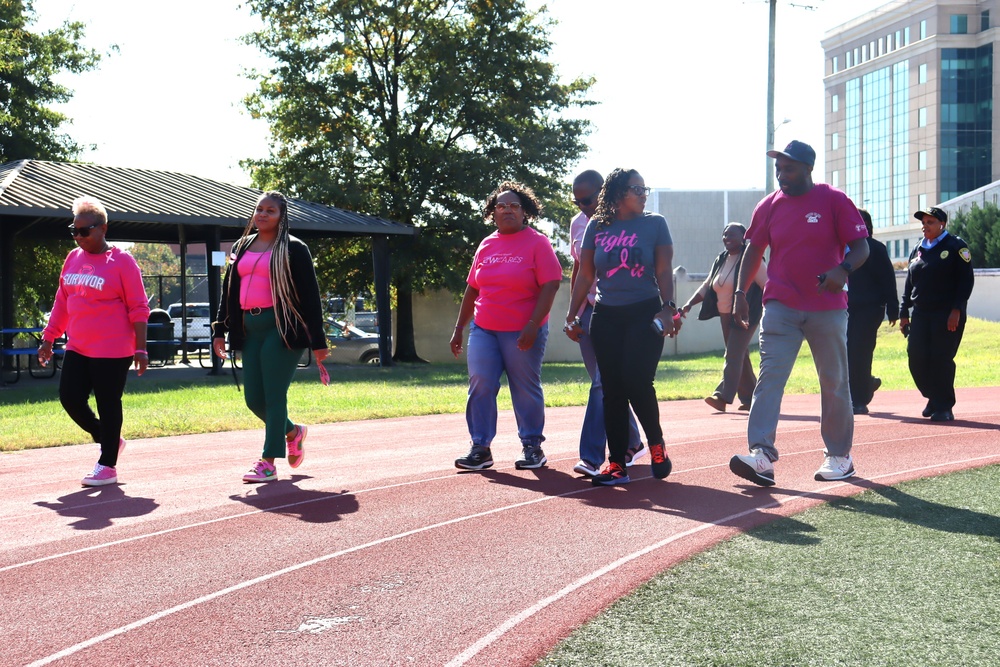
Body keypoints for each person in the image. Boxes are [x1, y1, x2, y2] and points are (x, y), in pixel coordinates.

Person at [728, 140, 869, 486]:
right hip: (780, 306)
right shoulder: (768, 206)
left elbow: (862, 246)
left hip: (827, 308)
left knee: (833, 381)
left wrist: (843, 270)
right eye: (778, 168)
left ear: (808, 168)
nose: (781, 175)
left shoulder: (834, 200)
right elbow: (754, 250)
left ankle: (839, 456)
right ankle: (761, 455)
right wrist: (740, 293)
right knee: (770, 377)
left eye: (788, 168)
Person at [565, 168, 675, 486]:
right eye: (637, 190)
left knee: (637, 381)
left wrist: (669, 309)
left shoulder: (656, 224)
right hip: (606, 316)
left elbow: (665, 271)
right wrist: (571, 316)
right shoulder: (597, 226)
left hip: (645, 313)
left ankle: (655, 444)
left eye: (645, 190)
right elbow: (585, 274)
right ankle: (616, 464)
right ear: (617, 194)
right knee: (612, 392)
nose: (643, 195)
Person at [212, 191, 329, 483]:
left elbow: (311, 297)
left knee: (275, 396)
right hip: (248, 329)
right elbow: (228, 292)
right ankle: (293, 432)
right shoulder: (241, 246)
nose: (263, 214)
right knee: (254, 399)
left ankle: (268, 462)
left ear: (282, 216)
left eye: (270, 211)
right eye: (259, 209)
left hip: (282, 327)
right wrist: (219, 330)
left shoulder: (294, 249)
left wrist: (318, 342)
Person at [38, 196, 150, 487]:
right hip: (78, 345)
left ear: (103, 229)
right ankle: (109, 439)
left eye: (84, 231)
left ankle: (108, 464)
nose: (78, 237)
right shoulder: (73, 258)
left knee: (107, 402)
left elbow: (138, 307)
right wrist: (49, 337)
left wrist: (140, 347)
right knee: (70, 397)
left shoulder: (122, 262)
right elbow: (62, 300)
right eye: (73, 231)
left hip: (113, 348)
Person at [450, 181, 562, 471]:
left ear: (525, 212)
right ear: (492, 212)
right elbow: (473, 289)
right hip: (484, 328)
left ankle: (532, 447)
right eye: (501, 206)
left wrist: (533, 325)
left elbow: (551, 285)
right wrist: (459, 327)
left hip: (523, 329)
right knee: (481, 384)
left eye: (514, 205)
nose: (507, 210)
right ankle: (480, 447)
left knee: (524, 388)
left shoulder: (538, 243)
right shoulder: (487, 244)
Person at [568, 169, 644, 477]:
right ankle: (635, 441)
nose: (583, 207)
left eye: (588, 199)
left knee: (603, 382)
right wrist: (572, 313)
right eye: (578, 202)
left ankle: (591, 456)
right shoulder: (578, 224)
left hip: (620, 311)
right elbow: (579, 269)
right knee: (606, 385)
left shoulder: (632, 221)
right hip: (589, 310)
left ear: (605, 191)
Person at [679, 222, 766, 413]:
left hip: (745, 314)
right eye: (725, 234)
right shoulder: (722, 258)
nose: (727, 238)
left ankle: (722, 396)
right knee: (739, 356)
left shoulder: (752, 259)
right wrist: (689, 304)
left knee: (733, 354)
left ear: (743, 237)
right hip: (725, 315)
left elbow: (768, 285)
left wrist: (772, 311)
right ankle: (752, 398)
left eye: (732, 235)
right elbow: (707, 285)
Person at [899, 206, 975, 422]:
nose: (925, 226)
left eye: (930, 222)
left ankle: (943, 406)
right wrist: (904, 312)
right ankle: (933, 395)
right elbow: (909, 285)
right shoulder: (918, 249)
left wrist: (956, 310)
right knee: (916, 357)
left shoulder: (956, 246)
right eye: (923, 223)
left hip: (946, 314)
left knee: (941, 359)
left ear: (942, 224)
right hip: (922, 313)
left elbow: (965, 281)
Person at [846, 208, 899, 415]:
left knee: (860, 352)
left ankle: (859, 399)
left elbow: (888, 279)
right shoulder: (841, 248)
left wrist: (893, 309)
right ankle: (865, 384)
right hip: (844, 310)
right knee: (847, 353)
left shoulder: (876, 249)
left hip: (869, 310)